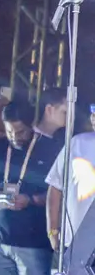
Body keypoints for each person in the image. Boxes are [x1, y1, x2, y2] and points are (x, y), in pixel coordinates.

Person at [0, 99, 60, 275]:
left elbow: (59, 194)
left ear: (32, 124)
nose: (14, 136)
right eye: (9, 131)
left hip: (33, 241)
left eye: (20, 132)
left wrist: (30, 200)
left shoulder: (50, 149)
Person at [47, 107, 95, 258]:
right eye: (93, 112)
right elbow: (55, 187)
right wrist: (52, 231)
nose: (93, 117)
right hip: (74, 242)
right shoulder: (77, 143)